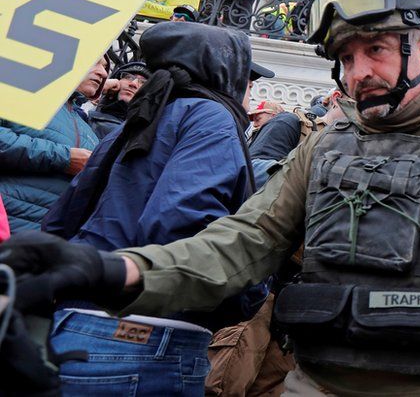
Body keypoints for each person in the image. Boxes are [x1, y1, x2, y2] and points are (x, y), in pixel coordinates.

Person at [3, 0, 420, 397]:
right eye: (346, 59)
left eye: (375, 51)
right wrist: (113, 271)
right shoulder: (323, 145)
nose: (358, 74)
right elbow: (241, 242)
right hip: (313, 383)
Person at [39, 22, 265, 395]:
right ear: (229, 73)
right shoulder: (210, 119)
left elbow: (65, 214)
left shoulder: (142, 117)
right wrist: (247, 294)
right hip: (144, 337)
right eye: (249, 80)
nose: (251, 92)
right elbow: (182, 227)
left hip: (76, 323)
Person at [0, 58, 104, 233]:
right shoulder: (23, 95)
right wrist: (65, 158)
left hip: (49, 240)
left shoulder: (89, 130)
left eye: (106, 67)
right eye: (96, 62)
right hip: (9, 222)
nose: (103, 72)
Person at [89, 61, 151, 139]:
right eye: (128, 77)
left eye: (144, 83)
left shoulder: (143, 137)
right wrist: (99, 88)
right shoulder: (84, 117)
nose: (133, 84)